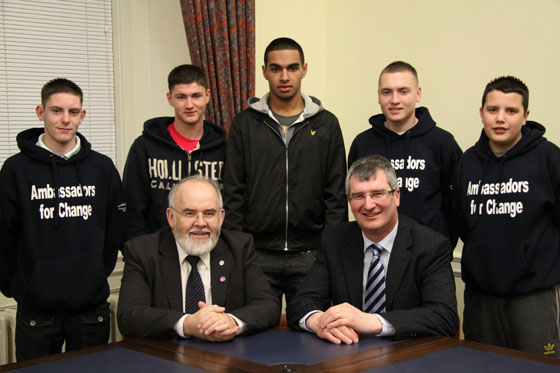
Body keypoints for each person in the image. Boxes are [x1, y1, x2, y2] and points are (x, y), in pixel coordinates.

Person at [0, 78, 125, 360]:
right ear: (40, 112)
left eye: (72, 112)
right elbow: (5, 235)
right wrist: (21, 285)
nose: (65, 119)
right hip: (37, 311)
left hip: (91, 309)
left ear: (82, 116)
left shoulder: (102, 168)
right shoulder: (16, 170)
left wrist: (94, 273)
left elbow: (114, 230)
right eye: (56, 110)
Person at [222, 37, 348, 307]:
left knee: (314, 335)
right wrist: (239, 247)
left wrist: (330, 250)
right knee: (254, 337)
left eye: (292, 68)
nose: (284, 76)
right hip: (256, 254)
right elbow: (233, 190)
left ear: (304, 69)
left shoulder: (326, 124)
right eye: (276, 68)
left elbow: (335, 195)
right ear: (264, 71)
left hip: (311, 255)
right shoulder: (244, 124)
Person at [286, 155, 458, 344]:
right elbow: (300, 303)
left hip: (408, 355)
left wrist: (373, 321)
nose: (368, 205)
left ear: (397, 196)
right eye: (358, 196)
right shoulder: (335, 240)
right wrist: (319, 322)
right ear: (350, 201)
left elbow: (444, 317)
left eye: (377, 194)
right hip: (348, 356)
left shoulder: (430, 245)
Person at [454, 76, 560, 357]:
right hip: (480, 297)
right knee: (480, 366)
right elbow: (462, 222)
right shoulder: (467, 162)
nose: (500, 119)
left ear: (525, 116)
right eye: (492, 110)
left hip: (532, 296)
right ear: (481, 113)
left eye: (511, 111)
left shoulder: (549, 158)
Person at [117, 175, 280, 340]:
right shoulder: (142, 252)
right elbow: (129, 316)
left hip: (226, 356)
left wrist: (229, 320)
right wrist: (187, 324)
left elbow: (268, 305)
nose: (201, 223)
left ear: (221, 217)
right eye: (190, 213)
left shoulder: (240, 247)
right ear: (171, 217)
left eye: (209, 213)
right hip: (165, 357)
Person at [348, 61, 461, 243]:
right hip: (377, 252)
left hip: (429, 252)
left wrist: (443, 244)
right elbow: (357, 198)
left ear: (418, 94)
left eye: (403, 91)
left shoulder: (442, 142)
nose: (394, 100)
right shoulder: (363, 143)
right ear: (378, 96)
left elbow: (456, 204)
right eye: (387, 92)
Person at [123, 64, 226, 240]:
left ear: (207, 96)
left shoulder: (225, 149)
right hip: (157, 254)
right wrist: (139, 252)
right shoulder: (144, 147)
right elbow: (132, 208)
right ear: (170, 98)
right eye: (181, 97)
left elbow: (231, 206)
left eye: (196, 96)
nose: (189, 105)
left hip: (210, 249)